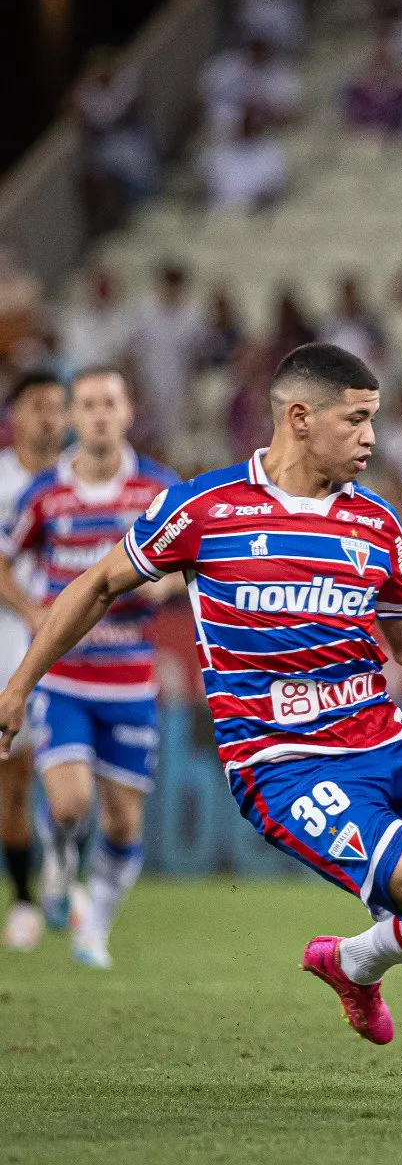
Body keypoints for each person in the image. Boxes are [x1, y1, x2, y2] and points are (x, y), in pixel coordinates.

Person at [0, 344, 402, 1111]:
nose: (370, 437)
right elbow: (96, 584)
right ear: (299, 418)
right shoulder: (205, 509)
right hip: (282, 763)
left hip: (387, 746)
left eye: (374, 420)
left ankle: (356, 959)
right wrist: (20, 682)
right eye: (355, 420)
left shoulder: (376, 524)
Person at [0, 369, 178, 968]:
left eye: (110, 403)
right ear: (72, 418)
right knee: (70, 800)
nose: (99, 414)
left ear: (128, 412)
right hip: (65, 677)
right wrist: (32, 610)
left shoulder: (158, 490)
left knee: (125, 821)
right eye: (88, 405)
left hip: (130, 680)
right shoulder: (45, 493)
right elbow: (5, 558)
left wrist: (167, 584)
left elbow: (193, 560)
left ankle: (95, 921)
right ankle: (56, 865)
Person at [0, 373, 67, 950]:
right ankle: (23, 898)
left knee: (72, 768)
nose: (49, 417)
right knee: (14, 775)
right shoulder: (2, 478)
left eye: (56, 408)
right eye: (37, 406)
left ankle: (62, 869)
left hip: (68, 640)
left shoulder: (77, 479)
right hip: (7, 635)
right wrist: (28, 609)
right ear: (15, 414)